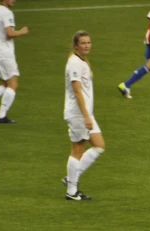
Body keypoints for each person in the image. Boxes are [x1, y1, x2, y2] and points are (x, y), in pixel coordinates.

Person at [63, 31, 105, 201]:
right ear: (75, 46)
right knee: (78, 150)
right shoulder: (74, 63)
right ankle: (71, 191)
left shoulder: (81, 61)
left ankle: (71, 178)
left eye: (88, 42)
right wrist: (86, 115)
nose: (87, 45)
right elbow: (77, 90)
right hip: (79, 114)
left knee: (99, 146)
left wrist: (89, 113)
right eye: (83, 43)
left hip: (85, 113)